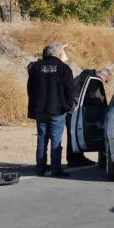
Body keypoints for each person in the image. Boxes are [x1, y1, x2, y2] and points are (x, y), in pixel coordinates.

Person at [27, 43, 75, 177]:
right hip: (57, 110)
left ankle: (40, 167)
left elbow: (30, 89)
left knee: (42, 138)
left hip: (40, 109)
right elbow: (70, 90)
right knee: (56, 140)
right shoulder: (64, 68)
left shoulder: (36, 67)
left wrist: (34, 106)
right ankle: (56, 168)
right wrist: (68, 107)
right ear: (59, 54)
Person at [66, 68, 112, 167]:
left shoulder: (86, 77)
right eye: (106, 81)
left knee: (76, 135)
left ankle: (78, 157)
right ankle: (74, 160)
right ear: (102, 75)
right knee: (73, 136)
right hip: (74, 112)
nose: (105, 83)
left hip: (75, 111)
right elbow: (92, 96)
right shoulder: (91, 80)